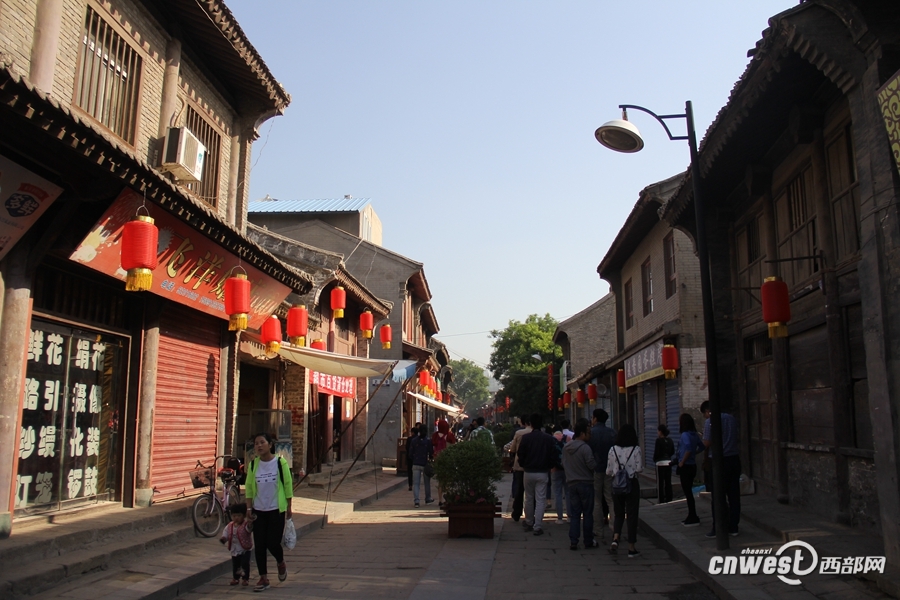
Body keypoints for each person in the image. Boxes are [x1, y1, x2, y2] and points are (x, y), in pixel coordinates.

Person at [246, 433, 293, 591]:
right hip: (258, 510)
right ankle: (263, 578)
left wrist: (289, 506)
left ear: (270, 444)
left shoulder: (280, 463)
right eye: (256, 443)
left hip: (276, 510)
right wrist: (248, 508)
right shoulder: (253, 465)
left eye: (262, 442)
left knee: (273, 543)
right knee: (259, 545)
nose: (259, 446)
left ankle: (280, 562)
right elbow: (249, 488)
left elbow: (288, 485)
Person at [701, 400, 742, 537]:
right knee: (734, 495)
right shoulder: (731, 419)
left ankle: (718, 526)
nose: (705, 417)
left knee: (718, 495)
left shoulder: (710, 422)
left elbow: (707, 442)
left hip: (719, 460)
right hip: (733, 459)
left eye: (705, 414)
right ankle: (734, 527)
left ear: (708, 411)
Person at [516, 413, 556, 536]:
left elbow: (520, 454)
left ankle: (529, 521)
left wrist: (524, 464)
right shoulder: (548, 438)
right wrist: (549, 466)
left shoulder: (526, 438)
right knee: (540, 499)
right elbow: (553, 455)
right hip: (543, 472)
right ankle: (537, 526)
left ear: (531, 424)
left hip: (528, 471)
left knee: (528, 498)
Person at [607, 423, 643, 558]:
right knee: (632, 515)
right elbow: (639, 469)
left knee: (618, 513)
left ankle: (616, 537)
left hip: (617, 484)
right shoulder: (636, 449)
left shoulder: (612, 450)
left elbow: (608, 471)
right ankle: (631, 547)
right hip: (631, 484)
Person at [562, 418, 597, 550]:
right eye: (588, 432)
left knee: (575, 514)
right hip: (586, 483)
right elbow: (591, 465)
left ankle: (574, 540)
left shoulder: (566, 448)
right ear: (582, 434)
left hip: (572, 483)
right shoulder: (585, 448)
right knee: (587, 513)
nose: (590, 435)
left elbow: (563, 463)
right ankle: (588, 540)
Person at [588, 408, 616, 539]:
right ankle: (614, 527)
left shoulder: (591, 433)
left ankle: (598, 529)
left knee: (597, 499)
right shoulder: (612, 433)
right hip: (610, 469)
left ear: (595, 419)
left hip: (595, 469)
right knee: (610, 498)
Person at [676, 413, 703, 526]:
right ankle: (691, 515)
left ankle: (693, 515)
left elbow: (688, 448)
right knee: (689, 491)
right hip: (692, 466)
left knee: (688, 492)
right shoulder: (695, 435)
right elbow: (701, 446)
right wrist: (694, 454)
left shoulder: (685, 435)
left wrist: (682, 461)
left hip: (686, 466)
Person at [220, 502, 253, 586]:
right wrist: (224, 538)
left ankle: (245, 579)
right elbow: (226, 532)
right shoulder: (230, 525)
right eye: (234, 516)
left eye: (239, 516)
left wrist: (250, 524)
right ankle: (236, 578)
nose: (236, 518)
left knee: (245, 564)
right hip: (234, 548)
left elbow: (249, 529)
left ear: (244, 516)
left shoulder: (245, 525)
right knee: (235, 564)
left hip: (244, 549)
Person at [508, 415, 532, 522]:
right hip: (532, 465)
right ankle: (531, 514)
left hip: (519, 466)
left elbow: (512, 449)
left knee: (519, 490)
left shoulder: (519, 433)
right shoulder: (537, 433)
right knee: (531, 492)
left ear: (522, 422)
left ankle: (517, 512)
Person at [431, 418, 457, 505]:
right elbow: (453, 445)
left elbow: (433, 445)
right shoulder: (449, 435)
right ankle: (448, 498)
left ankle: (440, 500)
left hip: (438, 460)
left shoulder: (435, 435)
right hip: (447, 460)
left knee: (440, 481)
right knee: (448, 481)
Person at [408, 426, 434, 508]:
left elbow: (410, 453)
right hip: (425, 464)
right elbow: (431, 453)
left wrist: (414, 458)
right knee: (427, 483)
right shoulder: (428, 441)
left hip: (416, 463)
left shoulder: (414, 440)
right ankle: (428, 498)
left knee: (416, 483)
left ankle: (416, 501)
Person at [551, 426, 571, 524]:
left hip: (555, 469)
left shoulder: (551, 440)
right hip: (567, 469)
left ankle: (559, 517)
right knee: (568, 493)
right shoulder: (568, 438)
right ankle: (570, 516)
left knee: (557, 493)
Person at [653, 424, 675, 504]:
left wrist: (655, 459)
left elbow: (656, 452)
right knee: (668, 482)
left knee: (660, 483)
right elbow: (672, 451)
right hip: (668, 462)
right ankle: (669, 498)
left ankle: (661, 499)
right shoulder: (670, 440)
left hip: (660, 463)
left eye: (658, 431)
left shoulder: (658, 441)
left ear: (660, 431)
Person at [406, 423, 421, 491]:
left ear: (412, 432)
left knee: (410, 471)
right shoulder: (420, 439)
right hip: (417, 458)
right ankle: (416, 485)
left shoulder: (409, 439)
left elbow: (407, 448)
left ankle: (410, 485)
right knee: (417, 472)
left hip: (410, 457)